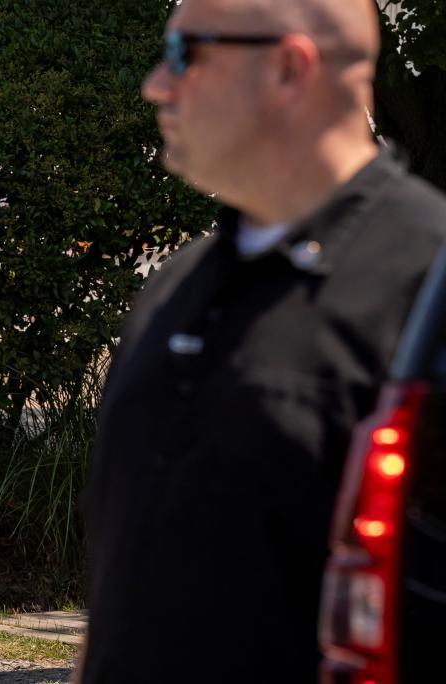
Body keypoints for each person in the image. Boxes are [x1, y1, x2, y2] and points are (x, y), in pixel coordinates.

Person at [77, 0, 446, 682]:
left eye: (185, 55)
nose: (155, 84)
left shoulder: (428, 282)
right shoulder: (174, 286)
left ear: (288, 67)